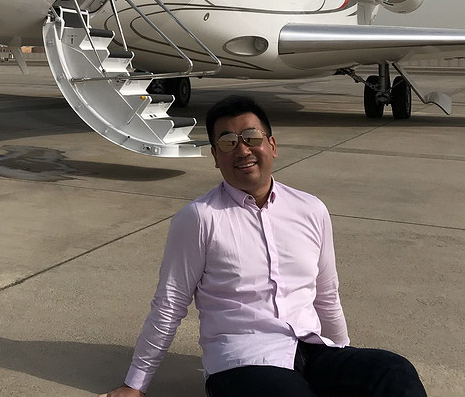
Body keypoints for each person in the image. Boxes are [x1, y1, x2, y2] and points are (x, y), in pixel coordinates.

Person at [99, 94, 426, 396]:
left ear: (271, 145)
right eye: (227, 142)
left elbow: (327, 296)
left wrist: (340, 355)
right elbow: (169, 304)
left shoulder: (310, 209)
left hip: (311, 349)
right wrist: (134, 385)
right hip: (242, 361)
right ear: (215, 156)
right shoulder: (199, 218)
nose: (242, 150)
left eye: (251, 138)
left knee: (393, 371)